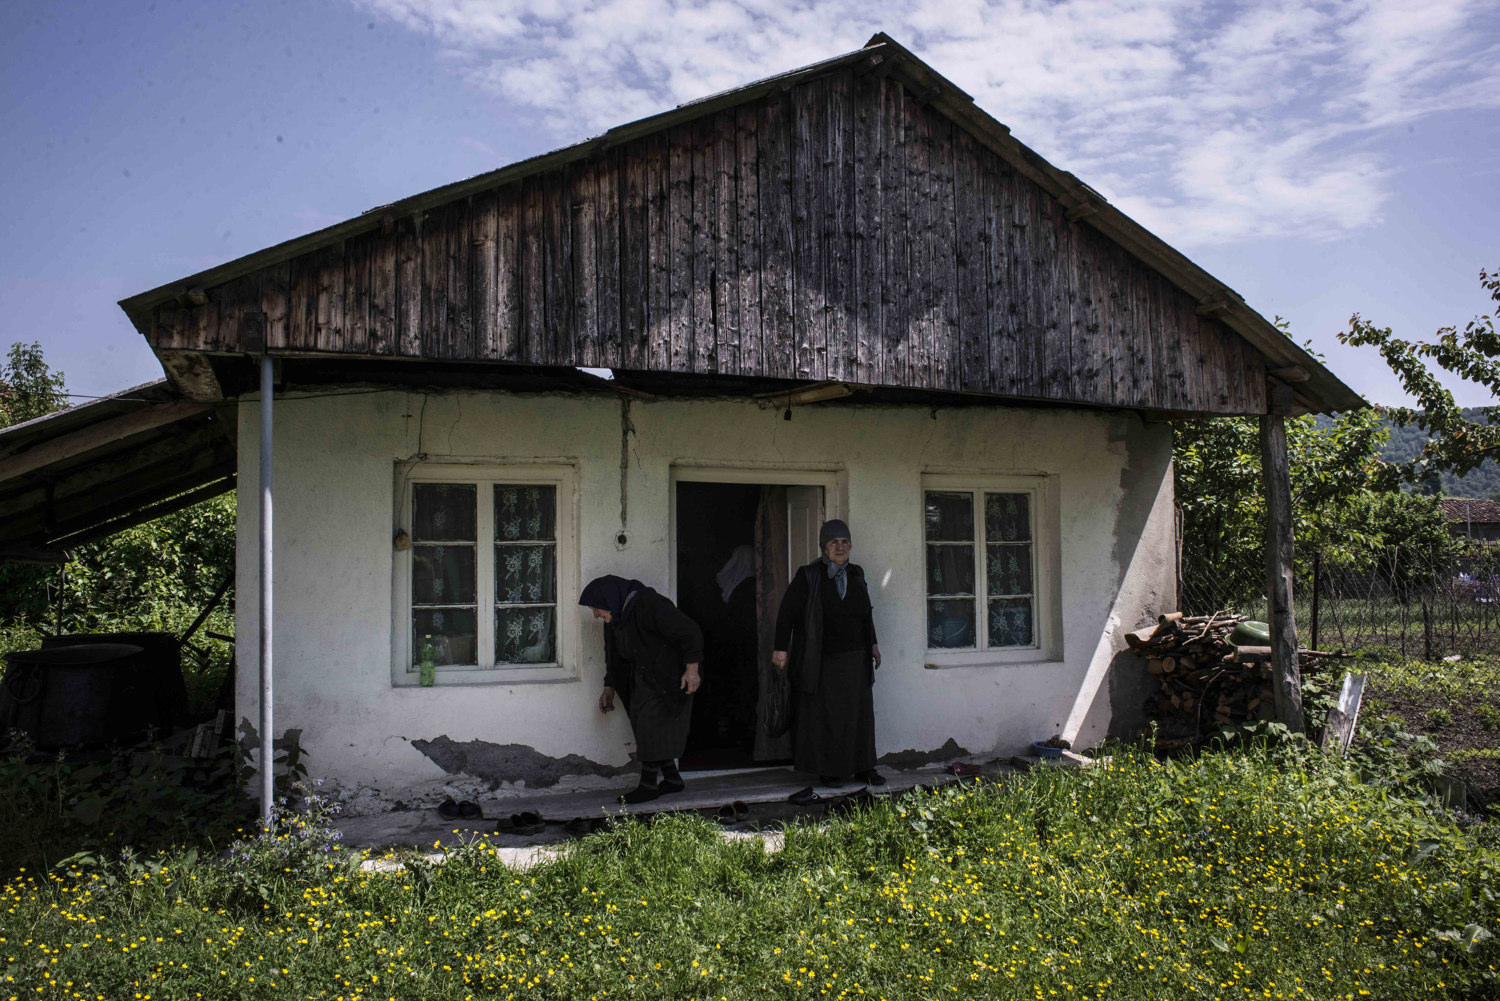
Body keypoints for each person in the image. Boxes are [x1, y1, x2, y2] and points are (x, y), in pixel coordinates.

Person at [772, 519, 884, 786]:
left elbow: (865, 614)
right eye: (834, 542)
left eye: (845, 542)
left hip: (856, 657)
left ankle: (864, 767)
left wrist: (874, 644)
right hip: (822, 658)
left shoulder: (857, 574)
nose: (840, 547)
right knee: (828, 716)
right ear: (824, 546)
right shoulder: (809, 575)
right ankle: (831, 770)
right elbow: (787, 613)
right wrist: (780, 648)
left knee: (860, 714)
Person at [580, 575, 704, 804]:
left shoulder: (649, 604)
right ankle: (672, 779)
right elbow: (613, 655)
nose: (595, 614)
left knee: (650, 726)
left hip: (667, 677)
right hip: (642, 678)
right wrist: (609, 686)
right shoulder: (616, 617)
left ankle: (648, 785)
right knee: (645, 725)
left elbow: (690, 632)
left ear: (609, 600)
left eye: (597, 608)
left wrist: (692, 670)